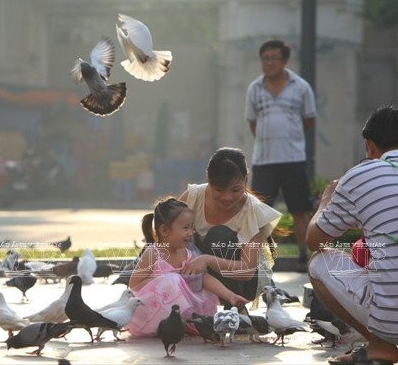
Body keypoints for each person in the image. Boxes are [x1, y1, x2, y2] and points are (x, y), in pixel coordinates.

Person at [306, 105, 398, 365]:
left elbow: (315, 241)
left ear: (369, 146)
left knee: (318, 262)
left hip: (392, 322)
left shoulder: (360, 177)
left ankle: (379, 345)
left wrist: (324, 202)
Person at [127, 198, 249, 337]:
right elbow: (134, 285)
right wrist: (164, 281)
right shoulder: (153, 252)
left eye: (192, 227)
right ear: (165, 230)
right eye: (185, 228)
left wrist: (230, 296)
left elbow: (204, 278)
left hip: (180, 311)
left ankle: (191, 322)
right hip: (154, 311)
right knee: (172, 279)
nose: (191, 233)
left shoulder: (187, 254)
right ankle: (171, 324)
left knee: (196, 284)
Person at [178, 147, 283, 307]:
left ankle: (235, 309)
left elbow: (247, 271)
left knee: (218, 235)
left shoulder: (253, 210)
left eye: (235, 190)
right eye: (219, 190)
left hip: (244, 283)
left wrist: (206, 260)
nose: (227, 197)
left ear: (245, 181)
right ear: (208, 178)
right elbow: (166, 235)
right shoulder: (193, 197)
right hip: (201, 275)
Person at [245, 38, 316, 272]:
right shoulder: (254, 88)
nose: (270, 63)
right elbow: (252, 122)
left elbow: (308, 120)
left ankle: (304, 257)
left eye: (275, 58)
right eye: (266, 58)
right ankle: (260, 257)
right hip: (264, 160)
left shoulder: (301, 87)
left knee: (299, 210)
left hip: (293, 159)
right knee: (260, 212)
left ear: (285, 60)